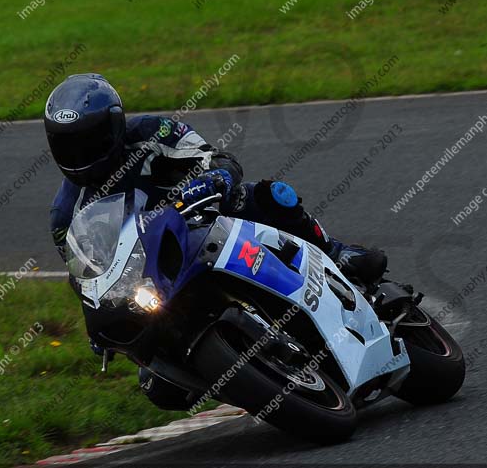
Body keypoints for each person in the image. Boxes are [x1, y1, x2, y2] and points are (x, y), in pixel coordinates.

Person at [45, 73, 387, 358]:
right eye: (68, 145)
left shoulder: (152, 133)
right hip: (154, 274)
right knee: (159, 387)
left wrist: (215, 178)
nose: (80, 153)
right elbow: (87, 275)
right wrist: (98, 319)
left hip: (205, 220)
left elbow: (216, 158)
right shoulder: (65, 216)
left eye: (90, 140)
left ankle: (335, 252)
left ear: (115, 125)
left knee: (271, 196)